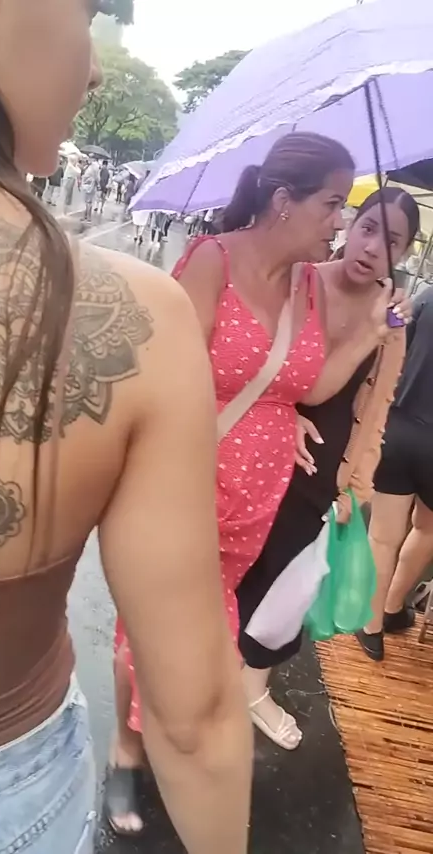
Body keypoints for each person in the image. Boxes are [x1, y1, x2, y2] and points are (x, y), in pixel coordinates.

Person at [0, 4, 253, 854]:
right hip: (3, 799)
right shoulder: (138, 315)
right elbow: (193, 715)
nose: (92, 70)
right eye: (85, 9)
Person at [106, 131, 394, 833]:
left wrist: (363, 339)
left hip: (256, 499)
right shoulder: (213, 261)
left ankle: (173, 746)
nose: (338, 221)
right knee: (150, 629)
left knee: (207, 638)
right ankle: (128, 753)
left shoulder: (307, 286)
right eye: (333, 204)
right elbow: (163, 376)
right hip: (185, 484)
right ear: (283, 199)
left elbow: (308, 385)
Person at [236, 187, 418, 744]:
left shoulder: (392, 319)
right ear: (349, 225)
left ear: (405, 253)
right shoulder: (301, 281)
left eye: (392, 241)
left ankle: (253, 686)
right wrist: (282, 411)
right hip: (262, 449)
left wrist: (355, 489)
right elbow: (255, 359)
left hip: (324, 471)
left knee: (287, 583)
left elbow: (379, 408)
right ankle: (207, 669)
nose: (373, 247)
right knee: (234, 566)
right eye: (368, 228)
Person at [356, 273, 433, 661]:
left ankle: (371, 629)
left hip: (400, 429)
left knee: (383, 537)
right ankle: (393, 607)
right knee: (427, 529)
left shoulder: (427, 297)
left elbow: (392, 351)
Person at [81, 158, 99, 222]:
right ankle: (87, 216)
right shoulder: (96, 173)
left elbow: (84, 177)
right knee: (90, 202)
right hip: (92, 187)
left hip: (87, 187)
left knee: (87, 202)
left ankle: (87, 216)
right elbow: (97, 180)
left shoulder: (89, 170)